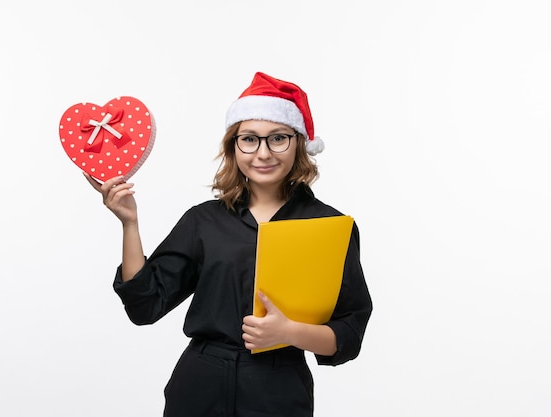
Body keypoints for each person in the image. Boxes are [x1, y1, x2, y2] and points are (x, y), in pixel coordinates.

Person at [85, 72, 372, 417]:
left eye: (278, 138)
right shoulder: (203, 220)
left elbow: (349, 332)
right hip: (199, 384)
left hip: (278, 389)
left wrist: (290, 332)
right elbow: (144, 306)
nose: (263, 153)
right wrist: (129, 223)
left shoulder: (329, 227)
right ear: (233, 147)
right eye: (249, 140)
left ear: (297, 144)